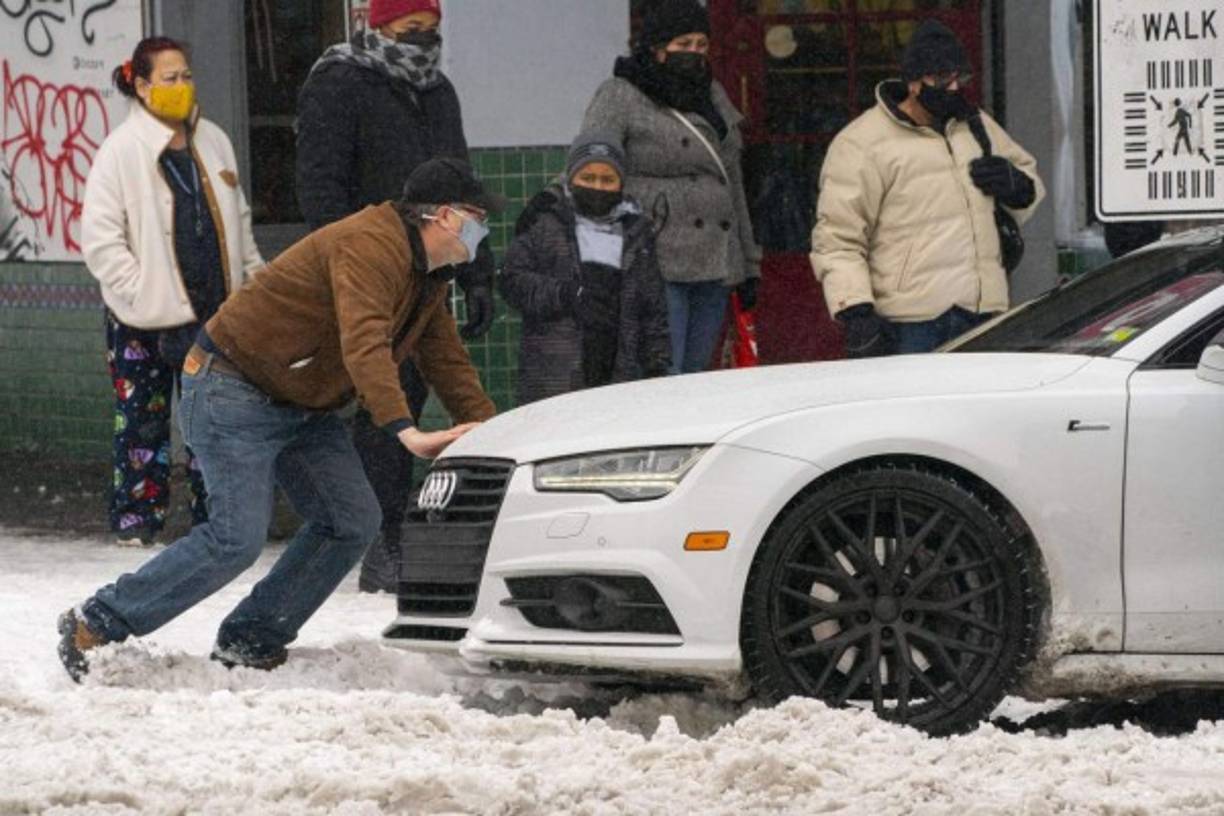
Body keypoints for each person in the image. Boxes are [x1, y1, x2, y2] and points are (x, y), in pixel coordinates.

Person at [57, 158, 501, 681]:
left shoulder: (427, 275)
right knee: (235, 537)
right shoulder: (369, 245)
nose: (483, 233)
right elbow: (366, 342)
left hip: (300, 403)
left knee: (352, 519)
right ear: (445, 216)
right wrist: (404, 429)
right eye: (478, 219)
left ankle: (252, 636)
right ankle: (99, 621)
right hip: (231, 383)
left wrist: (492, 432)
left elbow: (447, 360)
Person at [294, 0, 496, 592]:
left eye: (432, 30)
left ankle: (392, 534)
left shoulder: (438, 90)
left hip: (430, 265)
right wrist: (345, 269)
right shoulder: (338, 84)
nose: (424, 40)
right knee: (386, 403)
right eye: (411, 30)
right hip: (370, 265)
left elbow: (462, 185)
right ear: (376, 26)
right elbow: (321, 187)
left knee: (416, 391)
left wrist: (478, 269)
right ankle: (380, 538)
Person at [81, 37, 264, 546]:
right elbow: (99, 239)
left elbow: (240, 221)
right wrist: (138, 291)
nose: (181, 86)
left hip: (214, 312)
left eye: (186, 76)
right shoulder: (120, 152)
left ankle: (217, 518)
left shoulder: (215, 141)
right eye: (169, 78)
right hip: (143, 318)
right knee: (142, 420)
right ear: (141, 87)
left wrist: (255, 284)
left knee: (213, 418)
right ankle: (138, 521)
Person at [810, 20, 1045, 357]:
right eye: (940, 78)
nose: (951, 88)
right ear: (913, 82)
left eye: (959, 78)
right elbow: (837, 238)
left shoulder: (975, 124)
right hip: (911, 321)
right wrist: (855, 310)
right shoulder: (862, 143)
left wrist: (1017, 186)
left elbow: (1028, 179)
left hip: (984, 310)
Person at [582, 0, 761, 374]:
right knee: (662, 374)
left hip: (716, 260)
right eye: (684, 45)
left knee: (695, 377)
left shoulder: (713, 95)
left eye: (701, 45)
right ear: (657, 47)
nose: (694, 54)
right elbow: (592, 171)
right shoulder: (620, 94)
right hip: (655, 259)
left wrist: (748, 264)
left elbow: (732, 182)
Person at [500, 131, 670, 403]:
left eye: (607, 180)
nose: (598, 187)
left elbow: (653, 305)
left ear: (621, 183)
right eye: (588, 178)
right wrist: (564, 294)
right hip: (553, 376)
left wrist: (656, 363)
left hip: (619, 375)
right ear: (571, 178)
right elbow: (512, 281)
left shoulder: (637, 232)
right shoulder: (545, 222)